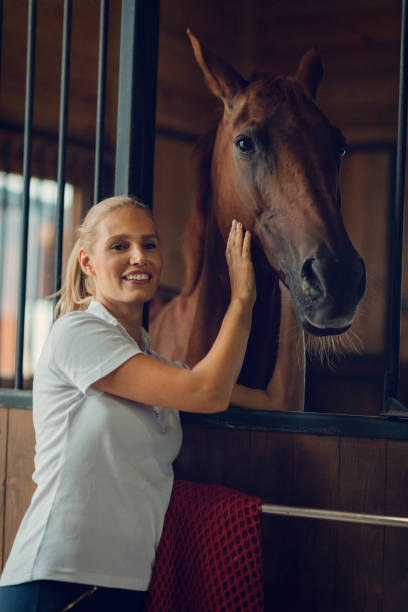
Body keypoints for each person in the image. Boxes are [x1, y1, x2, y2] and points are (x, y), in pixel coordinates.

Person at [0, 196, 256, 612]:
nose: (139, 257)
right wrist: (242, 300)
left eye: (149, 244)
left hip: (129, 587)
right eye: (119, 246)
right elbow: (207, 393)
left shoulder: (156, 368)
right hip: (55, 581)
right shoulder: (76, 333)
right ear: (88, 263)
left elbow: (255, 396)